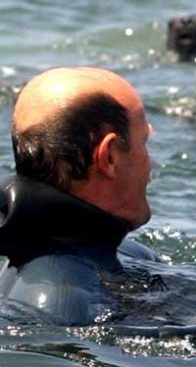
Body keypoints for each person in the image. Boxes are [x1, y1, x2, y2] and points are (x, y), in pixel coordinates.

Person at [1, 67, 159, 325]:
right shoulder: (59, 307)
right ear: (109, 157)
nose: (151, 163)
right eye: (144, 143)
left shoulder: (127, 254)